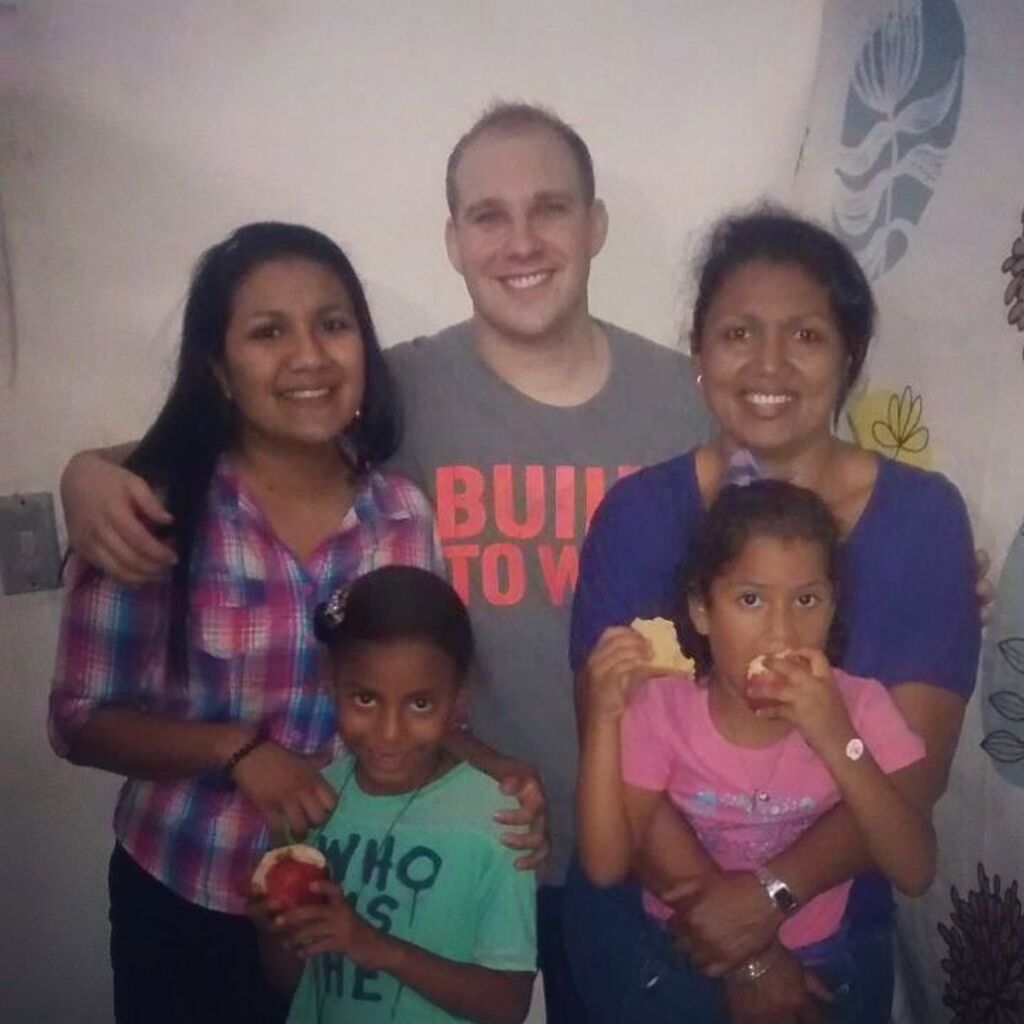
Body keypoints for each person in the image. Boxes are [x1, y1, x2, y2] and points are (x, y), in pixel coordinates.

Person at [58, 102, 711, 1021]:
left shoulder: (677, 405)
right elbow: (246, 428)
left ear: (595, 224)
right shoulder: (401, 395)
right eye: (488, 214)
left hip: (607, 841)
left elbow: (791, 513)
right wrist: (85, 472)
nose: (520, 239)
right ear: (452, 240)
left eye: (551, 208)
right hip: (322, 862)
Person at [567, 208, 980, 1022]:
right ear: (699, 356)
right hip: (657, 942)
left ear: (850, 357)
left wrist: (769, 901)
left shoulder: (923, 519)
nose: (769, 363)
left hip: (830, 943)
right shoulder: (640, 515)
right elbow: (616, 759)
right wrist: (748, 954)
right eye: (738, 333)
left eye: (807, 336)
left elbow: (912, 781)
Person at [48, 222, 447, 1024]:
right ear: (220, 371)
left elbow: (420, 692)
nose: (308, 356)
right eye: (269, 332)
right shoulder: (156, 511)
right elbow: (79, 721)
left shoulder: (400, 515)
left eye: (332, 325)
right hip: (188, 894)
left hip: (353, 898)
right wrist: (234, 753)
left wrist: (495, 779)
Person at [577, 479, 934, 1022]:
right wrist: (604, 718)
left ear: (834, 606)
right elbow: (604, 865)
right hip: (678, 955)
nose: (781, 632)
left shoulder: (860, 707)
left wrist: (837, 737)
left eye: (807, 600)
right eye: (750, 600)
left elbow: (915, 868)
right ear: (701, 610)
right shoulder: (662, 707)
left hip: (823, 958)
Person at [251, 565, 536, 1023]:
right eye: (365, 699)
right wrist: (272, 926)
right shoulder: (312, 802)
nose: (388, 732)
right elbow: (289, 982)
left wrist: (374, 947)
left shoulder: (498, 820)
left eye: (420, 704)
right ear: (332, 682)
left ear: (458, 701)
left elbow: (507, 1005)